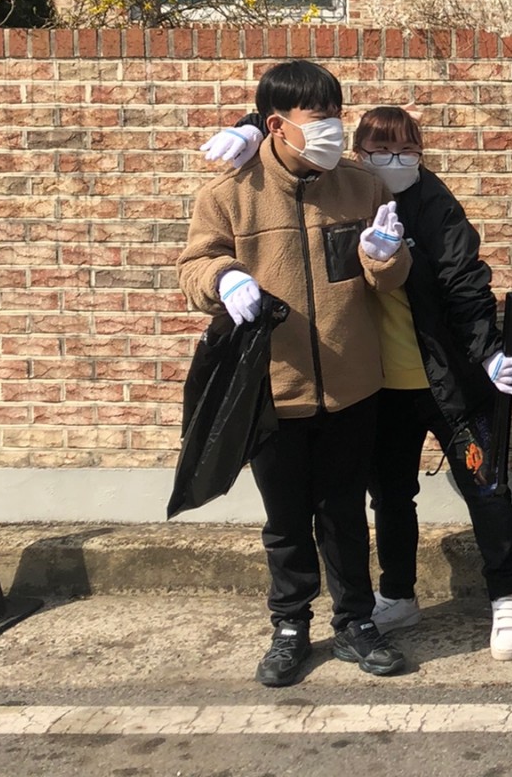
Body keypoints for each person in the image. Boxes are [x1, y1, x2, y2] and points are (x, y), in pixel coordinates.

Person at [200, 106, 512, 661]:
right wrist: (252, 125)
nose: (394, 161)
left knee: (485, 487)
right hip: (376, 386)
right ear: (358, 153)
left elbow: (465, 284)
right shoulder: (346, 192)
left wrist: (489, 353)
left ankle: (507, 598)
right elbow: (294, 118)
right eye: (380, 151)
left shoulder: (434, 203)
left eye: (407, 151)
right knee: (391, 496)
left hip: (448, 380)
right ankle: (398, 594)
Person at [178, 60, 411, 688]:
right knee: (285, 520)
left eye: (337, 113)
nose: (334, 127)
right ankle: (289, 626)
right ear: (276, 125)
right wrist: (223, 277)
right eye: (319, 117)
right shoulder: (230, 193)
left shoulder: (362, 186)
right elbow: (193, 267)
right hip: (272, 389)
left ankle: (356, 621)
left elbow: (389, 278)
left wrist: (385, 260)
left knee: (343, 513)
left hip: (352, 384)